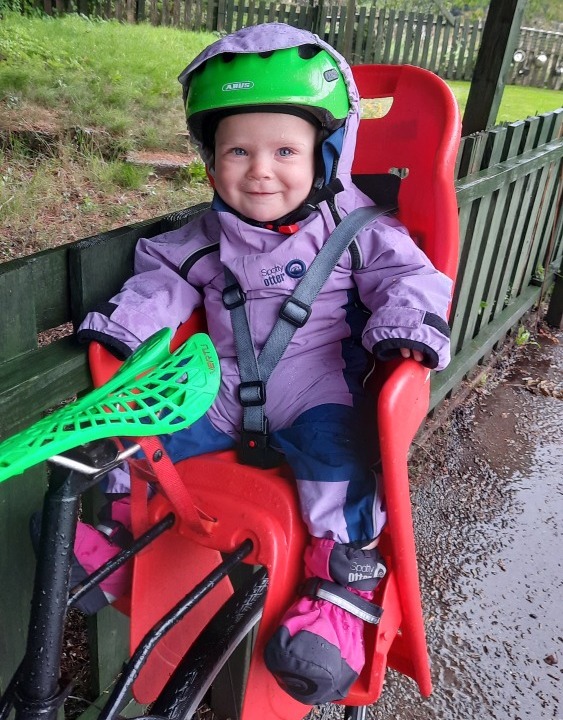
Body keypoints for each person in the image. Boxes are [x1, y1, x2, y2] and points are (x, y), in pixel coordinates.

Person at [71, 23, 453, 705]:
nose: (260, 169)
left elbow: (412, 280)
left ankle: (338, 597)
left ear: (325, 155)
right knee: (141, 441)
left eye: (284, 150)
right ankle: (119, 545)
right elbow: (160, 280)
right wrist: (126, 331)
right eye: (236, 151)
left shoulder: (361, 229)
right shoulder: (204, 237)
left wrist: (403, 335)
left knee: (339, 461)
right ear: (212, 162)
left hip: (315, 390)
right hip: (217, 390)